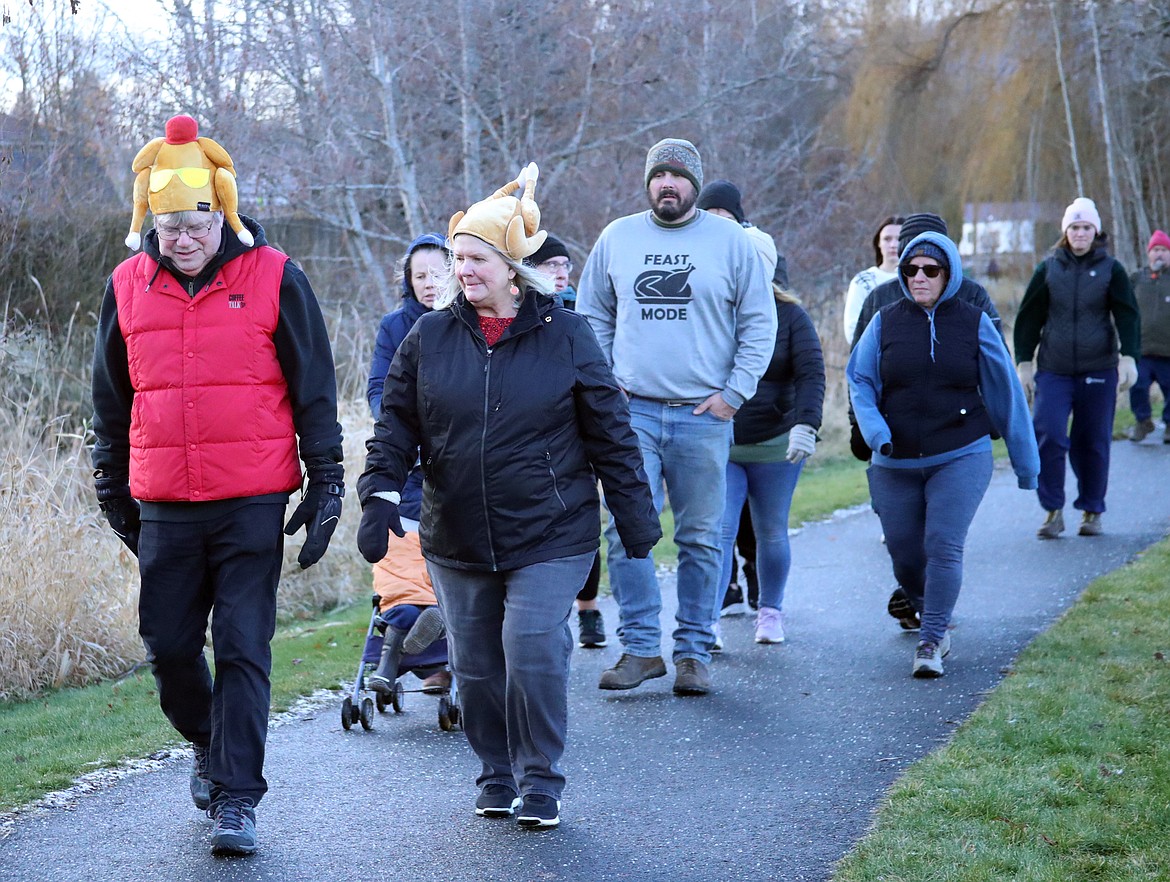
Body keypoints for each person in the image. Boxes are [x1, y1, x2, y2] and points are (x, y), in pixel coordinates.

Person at [357, 164, 660, 830]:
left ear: (511, 266)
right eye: (457, 256)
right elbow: (397, 422)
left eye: (474, 258)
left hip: (551, 530)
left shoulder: (567, 335)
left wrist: (635, 520)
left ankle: (542, 778)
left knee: (529, 648)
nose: (460, 270)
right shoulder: (430, 337)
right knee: (478, 665)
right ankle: (496, 771)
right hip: (457, 532)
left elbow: (610, 431)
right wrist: (379, 494)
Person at [91, 115, 343, 856]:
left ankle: (237, 798)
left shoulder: (274, 275)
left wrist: (326, 482)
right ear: (150, 224)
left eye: (194, 221)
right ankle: (209, 738)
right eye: (167, 224)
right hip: (165, 500)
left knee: (242, 646)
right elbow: (109, 394)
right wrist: (111, 479)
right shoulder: (126, 286)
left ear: (219, 213)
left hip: (251, 499)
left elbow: (315, 387)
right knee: (168, 649)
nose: (182, 237)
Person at [576, 138, 776, 696]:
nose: (668, 184)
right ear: (647, 182)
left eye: (679, 176)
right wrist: (607, 379)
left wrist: (734, 394)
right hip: (632, 413)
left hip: (703, 415)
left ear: (695, 183)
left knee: (702, 537)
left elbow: (760, 322)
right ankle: (641, 649)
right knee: (627, 530)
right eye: (659, 175)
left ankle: (692, 652)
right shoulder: (618, 237)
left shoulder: (730, 242)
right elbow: (592, 313)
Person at [847, 231, 1039, 677]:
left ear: (948, 274)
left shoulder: (974, 322)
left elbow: (1005, 392)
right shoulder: (885, 320)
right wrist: (875, 431)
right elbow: (859, 379)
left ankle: (931, 639)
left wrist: (1027, 464)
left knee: (943, 544)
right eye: (911, 270)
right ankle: (927, 608)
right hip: (893, 458)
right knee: (903, 552)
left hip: (960, 451)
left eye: (930, 270)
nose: (919, 278)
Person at [1014, 197, 1140, 538]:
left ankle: (1091, 510)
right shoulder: (1049, 268)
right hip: (1054, 369)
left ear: (1095, 231)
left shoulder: (1111, 269)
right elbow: (1028, 318)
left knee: (1092, 440)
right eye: (1074, 227)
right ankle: (1052, 511)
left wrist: (1129, 357)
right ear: (1065, 231)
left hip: (1098, 367)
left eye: (1086, 227)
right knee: (1049, 433)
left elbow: (1127, 314)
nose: (1080, 233)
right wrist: (1024, 361)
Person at [713, 266, 825, 645]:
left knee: (771, 530)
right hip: (721, 442)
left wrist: (806, 424)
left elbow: (811, 373)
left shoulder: (791, 316)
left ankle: (770, 611)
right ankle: (705, 620)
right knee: (719, 531)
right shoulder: (712, 310)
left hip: (776, 443)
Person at [365, 233, 452, 696]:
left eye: (438, 273)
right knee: (404, 545)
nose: (429, 283)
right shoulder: (396, 326)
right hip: (409, 461)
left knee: (450, 549)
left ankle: (419, 651)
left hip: (458, 458)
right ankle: (419, 634)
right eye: (420, 276)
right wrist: (400, 428)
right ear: (408, 280)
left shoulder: (469, 321)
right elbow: (378, 388)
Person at [696, 179, 787, 619]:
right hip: (713, 425)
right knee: (718, 523)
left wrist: (802, 421)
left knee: (762, 527)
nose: (716, 226)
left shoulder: (755, 257)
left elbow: (801, 369)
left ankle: (761, 591)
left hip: (764, 431)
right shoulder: (693, 261)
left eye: (724, 218)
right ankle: (714, 606)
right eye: (709, 216)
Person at [528, 233, 606, 649]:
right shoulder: (520, 313)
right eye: (550, 265)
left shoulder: (582, 313)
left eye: (564, 265)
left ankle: (589, 608)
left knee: (581, 522)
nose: (560, 273)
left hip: (578, 440)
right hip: (536, 445)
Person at [1129, 229, 1170, 443]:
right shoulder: (1137, 279)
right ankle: (1143, 421)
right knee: (1138, 386)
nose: (1160, 254)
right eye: (1156, 250)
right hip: (1141, 350)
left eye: (1164, 250)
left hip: (1167, 351)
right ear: (1149, 254)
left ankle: (1169, 424)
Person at [843, 215, 904, 340]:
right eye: (887, 239)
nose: (893, 244)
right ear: (878, 243)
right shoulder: (863, 281)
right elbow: (852, 331)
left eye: (899, 239)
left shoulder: (919, 280)